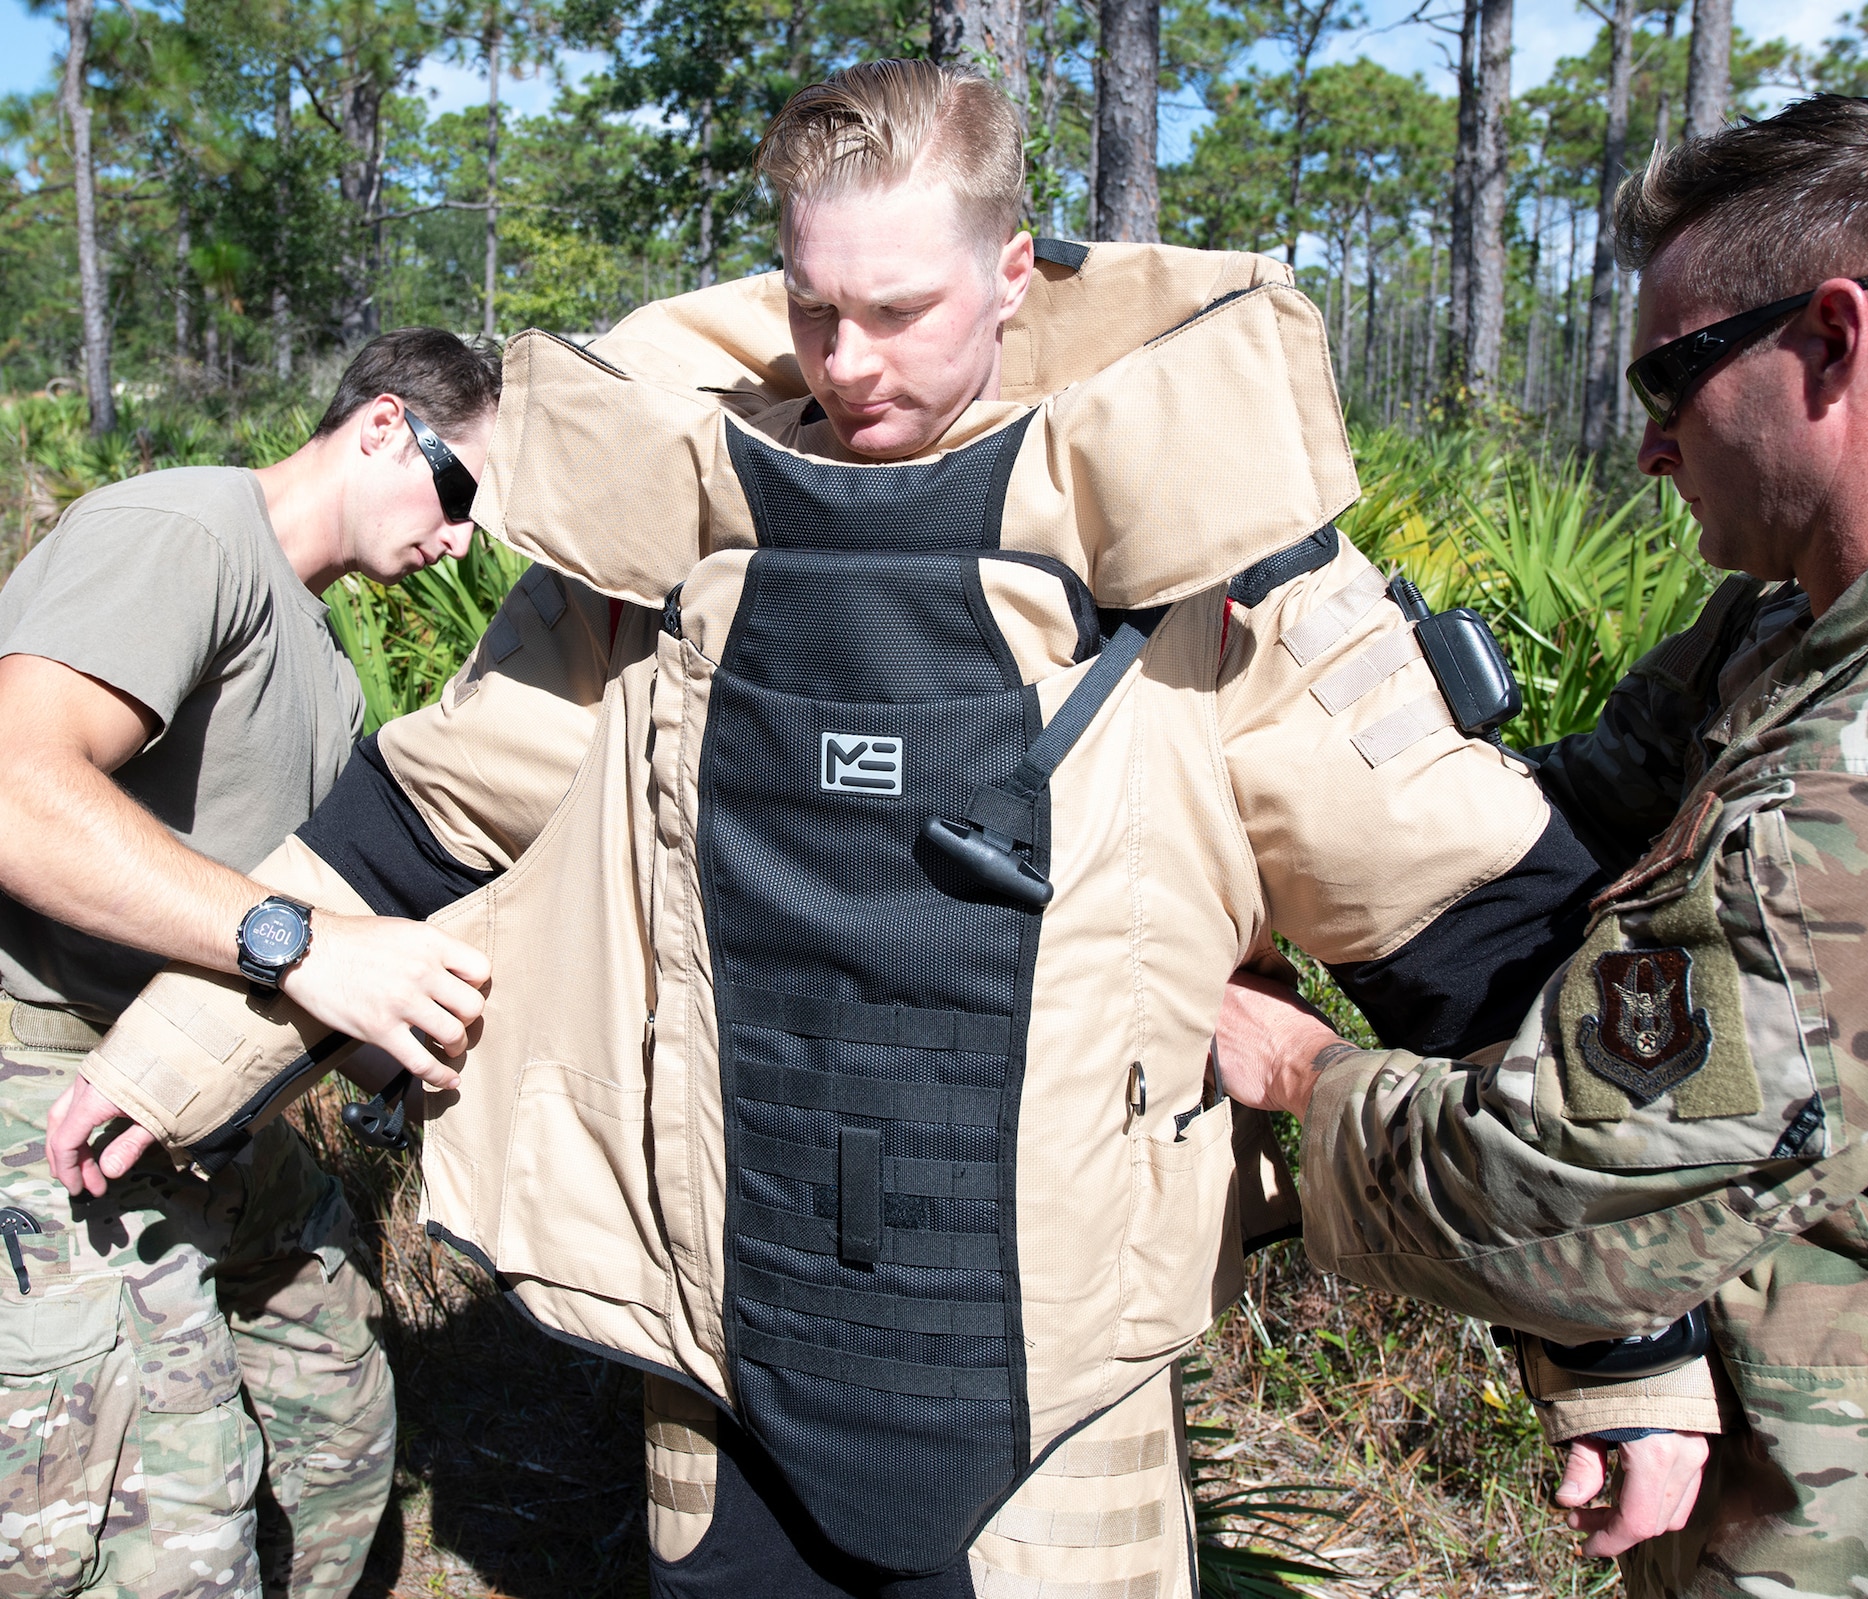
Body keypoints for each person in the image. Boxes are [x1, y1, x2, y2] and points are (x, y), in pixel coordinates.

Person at [52, 62, 1673, 1596]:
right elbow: (417, 818)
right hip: (724, 1341)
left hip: (1058, 1391)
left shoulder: (1210, 558)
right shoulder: (660, 548)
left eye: (901, 310)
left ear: (1014, 271)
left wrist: (1621, 1345)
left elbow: (1471, 931)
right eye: (815, 309)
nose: (853, 361)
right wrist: (170, 1058)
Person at [1215, 91, 1868, 1596]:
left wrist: (1290, 1066)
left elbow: (1549, 1202)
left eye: (1671, 378)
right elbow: (1547, 847)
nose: (1646, 446)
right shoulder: (1792, 634)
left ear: (1833, 340)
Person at [0, 327, 499, 1599]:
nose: (463, 538)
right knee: (158, 1542)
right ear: (383, 424)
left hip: (215, 1117)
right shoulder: (186, 535)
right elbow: (13, 787)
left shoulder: (326, 663)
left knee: (338, 1442)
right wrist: (300, 947)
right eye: (462, 491)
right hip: (46, 1088)